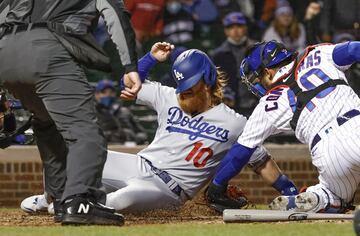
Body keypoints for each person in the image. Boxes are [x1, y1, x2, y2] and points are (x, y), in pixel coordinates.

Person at [20, 42, 298, 214]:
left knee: (124, 200)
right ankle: (51, 200)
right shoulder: (169, 96)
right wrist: (151, 59)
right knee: (66, 153)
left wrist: (289, 191)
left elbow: (262, 163)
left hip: (169, 191)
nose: (184, 92)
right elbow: (129, 84)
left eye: (190, 86)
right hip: (139, 165)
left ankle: (78, 204)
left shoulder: (236, 123)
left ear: (209, 80)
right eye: (182, 86)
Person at [0, 0, 141, 225]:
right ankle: (80, 200)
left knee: (47, 122)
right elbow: (115, 14)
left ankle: (58, 197)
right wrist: (130, 66)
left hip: (6, 51)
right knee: (85, 132)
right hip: (47, 48)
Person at [207, 40, 360, 214]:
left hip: (327, 153)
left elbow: (240, 151)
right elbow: (354, 49)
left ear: (268, 71)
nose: (259, 83)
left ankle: (318, 198)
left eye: (258, 78)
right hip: (355, 122)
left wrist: (216, 186)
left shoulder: (267, 104)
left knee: (336, 197)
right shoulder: (317, 54)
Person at [212, 11, 258, 117]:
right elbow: (216, 82)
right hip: (230, 106)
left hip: (256, 103)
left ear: (245, 28)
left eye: (239, 26)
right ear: (226, 31)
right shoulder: (218, 54)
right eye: (231, 27)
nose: (235, 30)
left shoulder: (257, 49)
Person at [94, 79, 148, 144]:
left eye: (111, 92)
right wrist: (110, 136)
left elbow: (142, 134)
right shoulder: (90, 113)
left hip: (126, 150)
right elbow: (85, 136)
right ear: (96, 95)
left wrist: (131, 137)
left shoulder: (125, 111)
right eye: (103, 92)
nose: (108, 95)